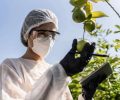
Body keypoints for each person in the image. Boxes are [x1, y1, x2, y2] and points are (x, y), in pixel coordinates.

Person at [0, 9, 102, 100]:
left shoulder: (56, 71)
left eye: (52, 35)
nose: (48, 39)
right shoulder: (11, 66)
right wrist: (62, 70)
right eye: (42, 33)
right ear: (27, 34)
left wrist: (85, 97)